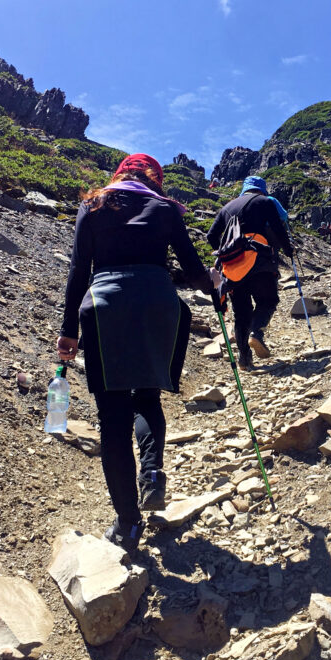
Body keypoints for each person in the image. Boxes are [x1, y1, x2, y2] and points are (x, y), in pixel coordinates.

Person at [56, 153, 216, 555]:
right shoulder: (166, 209)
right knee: (146, 396)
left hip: (106, 306)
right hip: (159, 305)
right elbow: (192, 267)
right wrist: (214, 291)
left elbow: (79, 270)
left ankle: (128, 524)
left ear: (117, 176)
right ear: (154, 180)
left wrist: (68, 331)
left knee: (112, 419)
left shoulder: (93, 205)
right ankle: (153, 472)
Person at [206, 175, 293, 369]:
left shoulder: (227, 207)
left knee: (241, 312)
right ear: (262, 189)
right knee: (268, 300)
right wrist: (289, 250)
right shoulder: (265, 202)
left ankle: (244, 359)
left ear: (244, 189)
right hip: (259, 260)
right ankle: (256, 333)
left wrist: (227, 252)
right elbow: (279, 230)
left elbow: (211, 235)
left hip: (233, 267)